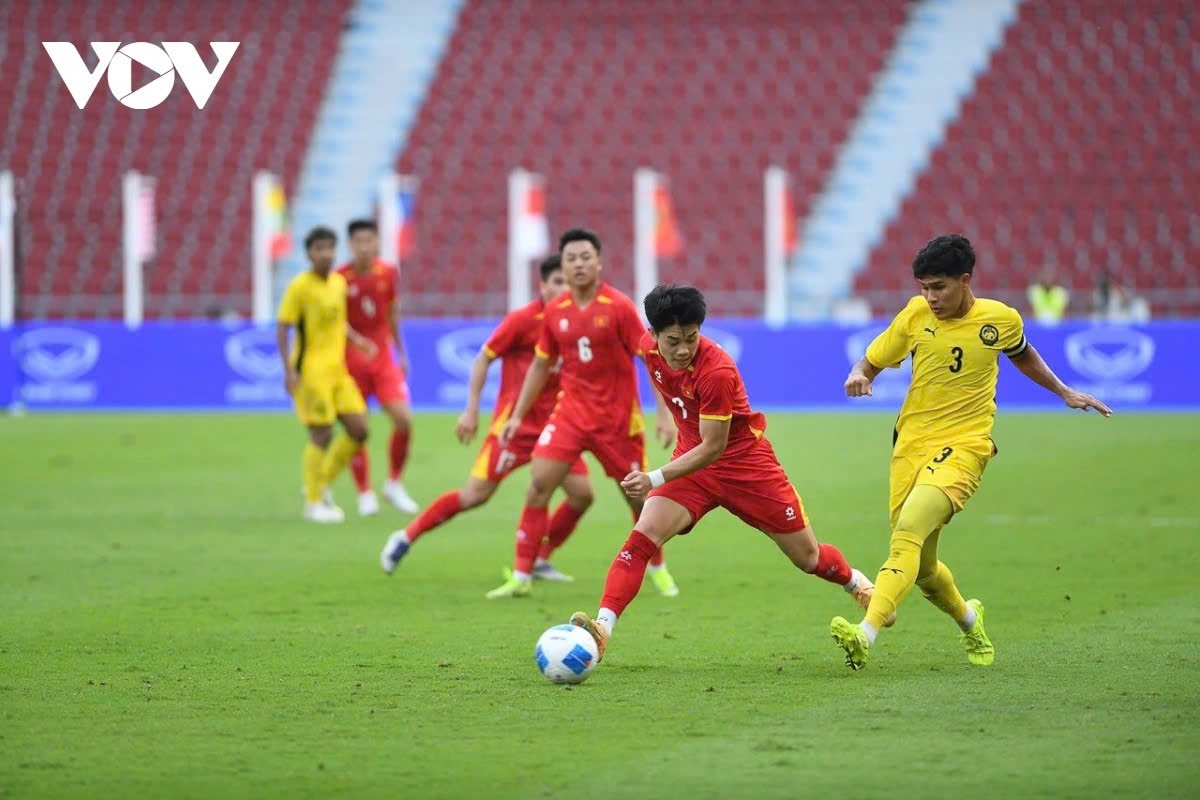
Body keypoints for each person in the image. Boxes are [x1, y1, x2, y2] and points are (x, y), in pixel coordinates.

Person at [832, 234, 1112, 671]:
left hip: (966, 444)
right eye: (924, 287)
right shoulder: (915, 315)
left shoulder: (1000, 319)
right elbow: (871, 360)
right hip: (911, 445)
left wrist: (1064, 391)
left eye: (939, 287)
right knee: (924, 570)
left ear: (965, 281)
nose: (931, 297)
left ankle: (865, 634)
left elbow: (1022, 354)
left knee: (908, 529)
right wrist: (859, 374)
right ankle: (970, 621)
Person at [567, 284, 881, 662]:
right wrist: (665, 415)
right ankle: (602, 628)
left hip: (745, 466)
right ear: (653, 335)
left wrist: (654, 478)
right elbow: (657, 373)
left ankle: (857, 584)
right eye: (673, 341)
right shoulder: (648, 349)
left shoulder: (716, 370)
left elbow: (713, 446)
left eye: (692, 338)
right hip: (692, 464)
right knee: (642, 538)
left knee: (808, 558)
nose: (683, 349)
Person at [487, 228, 680, 600]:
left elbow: (651, 358)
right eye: (571, 259)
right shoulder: (555, 310)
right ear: (563, 265)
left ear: (599, 262)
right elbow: (541, 365)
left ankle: (657, 567)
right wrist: (516, 415)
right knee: (539, 484)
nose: (578, 264)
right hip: (570, 416)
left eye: (585, 257)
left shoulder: (618, 307)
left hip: (617, 422)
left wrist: (664, 414)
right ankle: (522, 575)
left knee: (637, 497)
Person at [379, 255, 592, 579]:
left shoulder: (575, 321)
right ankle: (405, 537)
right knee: (474, 496)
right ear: (543, 285)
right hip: (514, 428)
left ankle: (539, 559)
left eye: (568, 282)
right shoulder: (523, 320)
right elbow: (483, 359)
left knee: (582, 495)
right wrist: (471, 410)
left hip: (557, 427)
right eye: (557, 282)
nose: (564, 288)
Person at [276, 226, 374, 523]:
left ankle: (321, 483)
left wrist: (357, 340)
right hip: (311, 371)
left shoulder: (338, 284)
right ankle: (314, 503)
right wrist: (289, 370)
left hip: (337, 371)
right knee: (322, 434)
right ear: (309, 253)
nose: (326, 254)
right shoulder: (299, 287)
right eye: (319, 249)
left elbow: (338, 322)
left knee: (360, 429)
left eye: (330, 248)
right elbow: (283, 326)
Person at [336, 219, 419, 516]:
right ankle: (364, 493)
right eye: (358, 241)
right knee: (357, 427)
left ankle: (394, 484)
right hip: (351, 359)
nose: (364, 247)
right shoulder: (339, 278)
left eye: (369, 240)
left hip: (382, 357)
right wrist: (356, 341)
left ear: (377, 242)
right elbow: (335, 320)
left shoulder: (388, 273)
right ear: (350, 245)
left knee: (404, 420)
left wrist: (402, 353)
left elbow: (392, 314)